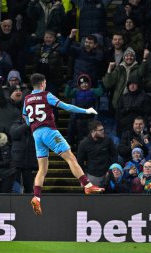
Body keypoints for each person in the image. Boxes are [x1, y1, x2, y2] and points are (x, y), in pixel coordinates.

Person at [23, 73, 104, 215]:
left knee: (42, 169)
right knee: (71, 158)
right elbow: (66, 107)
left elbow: (25, 116)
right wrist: (86, 111)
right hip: (49, 132)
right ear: (43, 83)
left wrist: (32, 125)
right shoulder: (46, 95)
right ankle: (87, 185)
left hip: (36, 134)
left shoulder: (27, 99)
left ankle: (36, 197)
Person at [77, 120, 118, 187]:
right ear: (93, 131)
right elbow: (80, 163)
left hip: (107, 174)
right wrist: (82, 179)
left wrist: (111, 170)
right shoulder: (83, 144)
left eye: (103, 129)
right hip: (92, 176)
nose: (103, 131)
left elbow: (114, 155)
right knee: (93, 197)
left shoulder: (108, 140)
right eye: (100, 130)